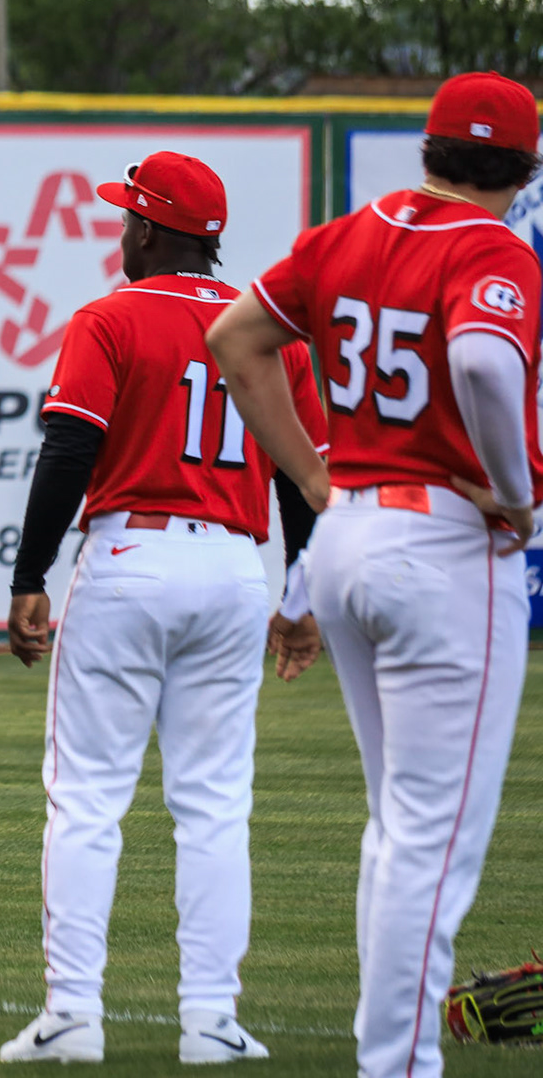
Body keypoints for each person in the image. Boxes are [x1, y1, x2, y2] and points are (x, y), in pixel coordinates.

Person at [208, 72, 542, 1078]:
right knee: (434, 838)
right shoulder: (494, 246)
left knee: (399, 823)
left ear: (428, 149)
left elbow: (234, 337)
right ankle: (396, 1063)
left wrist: (313, 472)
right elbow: (485, 365)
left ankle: (387, 1053)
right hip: (441, 545)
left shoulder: (348, 234)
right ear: (526, 169)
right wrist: (512, 490)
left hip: (347, 531)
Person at [0, 152, 326, 1065]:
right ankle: (212, 1021)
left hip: (131, 557)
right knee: (216, 804)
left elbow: (69, 449)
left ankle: (73, 1014)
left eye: (126, 218)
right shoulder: (274, 334)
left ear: (149, 228)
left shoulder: (111, 316)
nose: (119, 231)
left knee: (89, 802)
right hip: (232, 565)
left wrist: (28, 575)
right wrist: (300, 600)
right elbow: (305, 487)